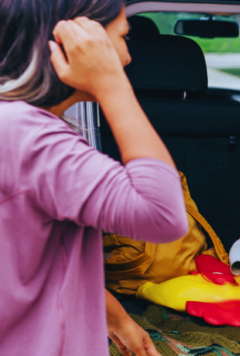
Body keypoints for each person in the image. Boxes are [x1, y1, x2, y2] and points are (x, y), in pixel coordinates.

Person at [0, 1, 189, 356]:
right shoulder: (29, 136)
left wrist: (114, 317)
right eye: (122, 38)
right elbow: (163, 216)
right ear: (78, 43)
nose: (128, 58)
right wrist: (113, 86)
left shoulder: (14, 126)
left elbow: (34, 257)